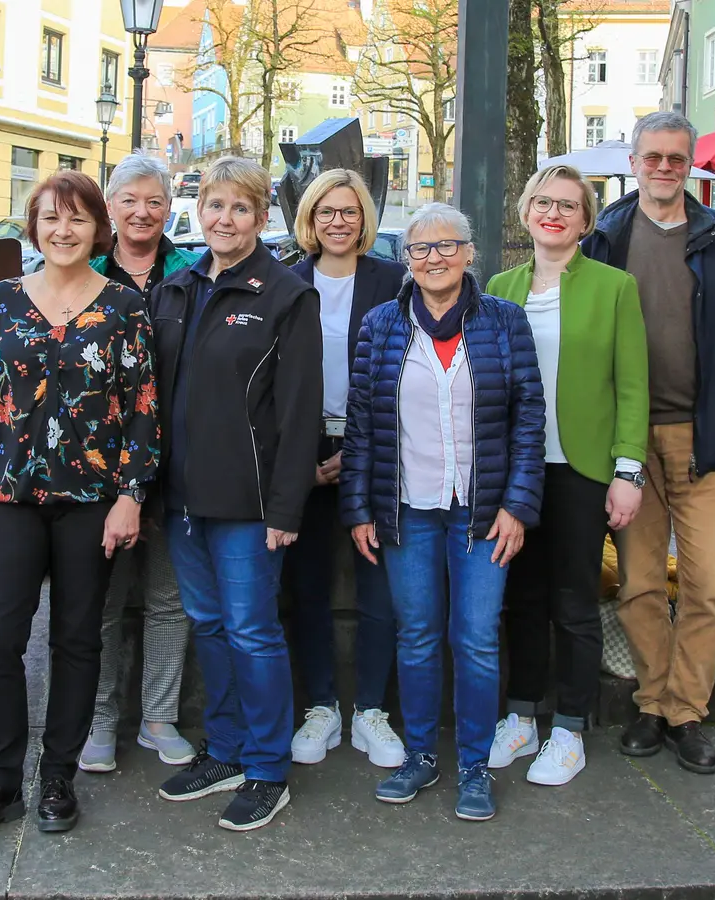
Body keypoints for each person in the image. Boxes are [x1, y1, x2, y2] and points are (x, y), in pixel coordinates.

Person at [0, 170, 158, 839]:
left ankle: (58, 774)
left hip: (91, 499)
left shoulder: (124, 306)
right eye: (48, 218)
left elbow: (143, 410)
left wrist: (130, 496)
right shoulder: (3, 300)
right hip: (10, 495)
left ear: (97, 227)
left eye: (75, 219)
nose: (62, 231)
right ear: (33, 226)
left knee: (76, 638)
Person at [342, 202, 546, 822]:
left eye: (447, 246)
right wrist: (359, 508)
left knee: (478, 638)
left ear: (469, 254)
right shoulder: (381, 324)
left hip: (481, 512)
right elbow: (361, 427)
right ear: (407, 260)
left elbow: (530, 420)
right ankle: (422, 756)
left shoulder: (504, 321)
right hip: (407, 509)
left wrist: (517, 504)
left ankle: (476, 766)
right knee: (419, 635)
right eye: (421, 249)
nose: (434, 258)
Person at [581, 111, 715, 775]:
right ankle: (653, 700)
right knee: (636, 581)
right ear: (633, 163)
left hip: (703, 435)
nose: (664, 168)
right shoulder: (604, 234)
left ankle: (686, 710)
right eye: (653, 157)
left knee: (705, 584)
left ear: (690, 165)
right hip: (627, 440)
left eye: (676, 159)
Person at [148, 157, 321, 832]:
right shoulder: (178, 287)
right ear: (199, 210)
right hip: (184, 500)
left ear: (262, 216)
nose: (224, 219)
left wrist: (285, 507)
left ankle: (268, 769)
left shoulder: (284, 296)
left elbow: (301, 411)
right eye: (214, 205)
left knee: (252, 632)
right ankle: (224, 749)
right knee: (211, 626)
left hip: (249, 505)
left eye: (240, 208)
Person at [485, 164, 648, 786]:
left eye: (568, 206)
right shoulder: (501, 285)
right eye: (542, 202)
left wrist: (628, 471)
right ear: (527, 212)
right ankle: (522, 714)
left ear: (585, 220)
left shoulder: (613, 287)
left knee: (575, 602)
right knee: (521, 598)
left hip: (583, 467)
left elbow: (633, 386)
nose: (553, 213)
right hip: (517, 471)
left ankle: (571, 728)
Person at [282, 168, 407, 768]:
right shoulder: (286, 281)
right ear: (310, 218)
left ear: (365, 219)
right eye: (327, 211)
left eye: (349, 210)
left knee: (376, 581)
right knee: (305, 585)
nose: (338, 220)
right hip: (302, 455)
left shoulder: (392, 281)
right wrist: (304, 460)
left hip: (374, 448)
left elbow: (404, 375)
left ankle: (371, 711)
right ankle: (323, 707)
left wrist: (355, 452)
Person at [78, 154, 199, 774]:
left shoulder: (193, 275)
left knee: (168, 596)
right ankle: (99, 716)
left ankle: (158, 714)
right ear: (110, 206)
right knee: (100, 597)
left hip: (176, 462)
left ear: (169, 205)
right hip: (101, 466)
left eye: (153, 201)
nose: (142, 212)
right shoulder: (86, 274)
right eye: (129, 200)